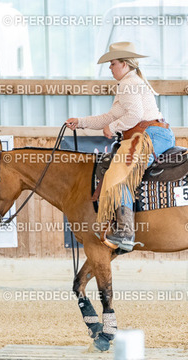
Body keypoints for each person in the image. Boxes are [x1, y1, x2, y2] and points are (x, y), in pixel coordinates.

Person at [66, 41, 176, 252]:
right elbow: (109, 117)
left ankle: (125, 232)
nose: (110, 67)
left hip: (148, 135)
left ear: (124, 64)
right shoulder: (130, 83)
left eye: (113, 63)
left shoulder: (128, 84)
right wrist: (80, 122)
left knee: (118, 176)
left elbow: (134, 115)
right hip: (153, 134)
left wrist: (113, 127)